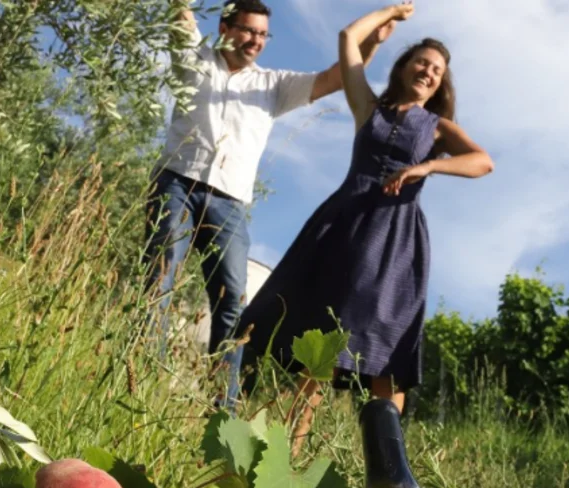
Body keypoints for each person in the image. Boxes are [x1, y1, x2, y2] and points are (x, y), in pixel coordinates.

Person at [234, 2, 494, 451]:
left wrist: (427, 166)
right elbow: (348, 39)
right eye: (422, 62)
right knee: (324, 348)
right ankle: (285, 454)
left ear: (440, 84)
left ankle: (389, 474)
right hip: (346, 230)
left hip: (397, 243)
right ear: (405, 66)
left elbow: (482, 162)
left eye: (436, 70)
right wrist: (391, 11)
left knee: (386, 356)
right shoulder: (369, 108)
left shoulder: (437, 127)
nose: (428, 71)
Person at [143, 0, 395, 410]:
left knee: (231, 302)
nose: (255, 41)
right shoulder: (193, 57)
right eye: (247, 31)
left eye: (262, 35)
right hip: (178, 182)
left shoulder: (272, 85)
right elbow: (180, 11)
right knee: (159, 281)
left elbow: (335, 79)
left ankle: (222, 406)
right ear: (225, 27)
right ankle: (142, 377)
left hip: (230, 200)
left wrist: (374, 45)